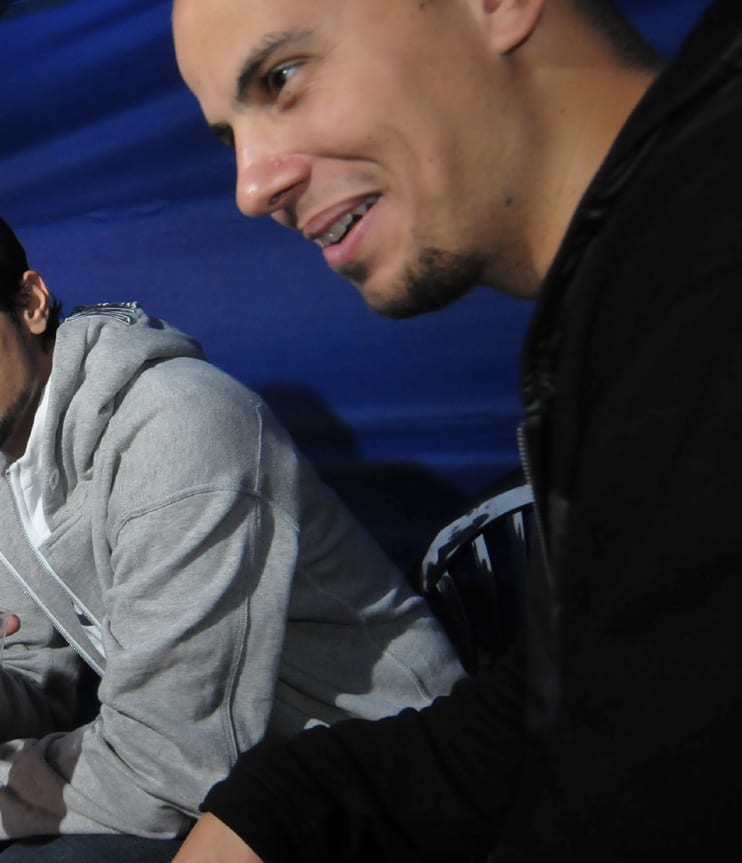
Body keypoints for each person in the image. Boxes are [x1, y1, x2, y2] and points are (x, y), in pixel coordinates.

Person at [168, 1, 742, 860]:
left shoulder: (706, 283)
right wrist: (277, 804)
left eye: (281, 78)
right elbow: (566, 705)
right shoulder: (638, 280)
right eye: (229, 136)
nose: (252, 187)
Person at [0, 192, 466, 862]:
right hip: (235, 776)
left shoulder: (178, 428)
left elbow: (170, 767)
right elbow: (35, 681)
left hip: (387, 778)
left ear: (31, 304)